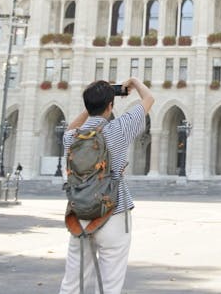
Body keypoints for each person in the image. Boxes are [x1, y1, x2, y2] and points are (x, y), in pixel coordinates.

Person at [55, 76, 154, 294]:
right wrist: (134, 82)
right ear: (110, 106)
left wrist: (91, 108)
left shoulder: (72, 138)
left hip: (79, 214)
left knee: (73, 282)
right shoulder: (117, 129)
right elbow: (148, 98)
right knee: (110, 284)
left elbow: (71, 127)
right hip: (113, 212)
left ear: (87, 105)